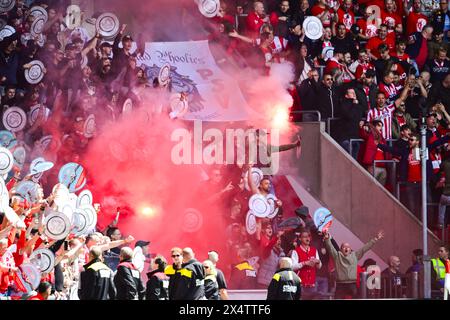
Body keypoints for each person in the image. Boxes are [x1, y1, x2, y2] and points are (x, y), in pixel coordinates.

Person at [323, 230, 384, 299]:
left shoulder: (355, 255)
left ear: (350, 249)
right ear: (340, 249)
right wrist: (327, 239)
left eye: (348, 247)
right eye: (344, 247)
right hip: (340, 284)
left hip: (352, 284)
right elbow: (330, 248)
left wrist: (375, 239)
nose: (346, 248)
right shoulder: (337, 256)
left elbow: (365, 248)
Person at [292, 230, 322, 298]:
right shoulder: (296, 251)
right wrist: (304, 263)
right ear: (300, 239)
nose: (307, 238)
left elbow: (319, 266)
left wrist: (318, 262)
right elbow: (292, 267)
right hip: (300, 284)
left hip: (312, 284)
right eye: (305, 237)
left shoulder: (314, 250)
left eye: (308, 236)